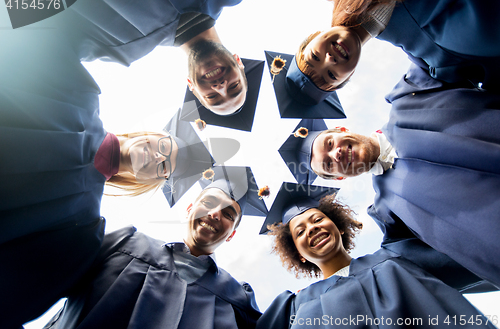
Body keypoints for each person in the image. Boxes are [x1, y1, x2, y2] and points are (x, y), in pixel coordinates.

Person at [0, 25, 213, 328]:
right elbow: (20, 35)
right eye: (164, 146)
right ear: (152, 134)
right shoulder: (78, 94)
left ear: (154, 181)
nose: (157, 156)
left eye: (165, 167)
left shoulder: (81, 232)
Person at [278, 63, 500, 288]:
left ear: (341, 130)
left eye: (329, 143)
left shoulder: (410, 97)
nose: (336, 154)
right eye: (328, 164)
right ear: (339, 178)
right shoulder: (390, 214)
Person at [43, 166, 267, 329]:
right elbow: (43, 276)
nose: (215, 213)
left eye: (229, 214)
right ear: (189, 208)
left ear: (232, 234)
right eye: (208, 203)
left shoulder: (238, 298)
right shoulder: (126, 243)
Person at [256, 183, 496, 329]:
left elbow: (467, 248)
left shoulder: (396, 256)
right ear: (300, 255)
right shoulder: (294, 308)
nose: (312, 228)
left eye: (318, 219)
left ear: (339, 226)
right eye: (300, 232)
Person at [34, 0, 251, 115]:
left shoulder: (113, 47)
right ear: (239, 62)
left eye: (212, 98)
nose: (220, 87)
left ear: (191, 86)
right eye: (234, 87)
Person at [294, 0, 500, 103]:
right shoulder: (440, 60)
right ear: (348, 76)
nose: (330, 60)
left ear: (313, 37)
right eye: (331, 75)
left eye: (315, 56)